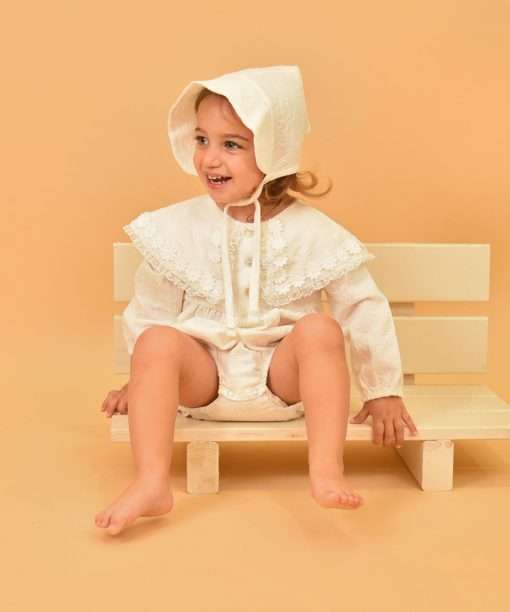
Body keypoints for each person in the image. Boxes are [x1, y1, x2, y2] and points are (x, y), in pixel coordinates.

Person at [96, 65, 418, 535]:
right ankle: (150, 483)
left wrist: (382, 389)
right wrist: (142, 380)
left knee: (320, 329)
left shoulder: (313, 232)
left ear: (274, 151)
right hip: (201, 383)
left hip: (282, 383)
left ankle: (326, 470)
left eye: (231, 145)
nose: (209, 158)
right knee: (156, 341)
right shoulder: (177, 228)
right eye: (201, 139)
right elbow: (152, 309)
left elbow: (362, 306)